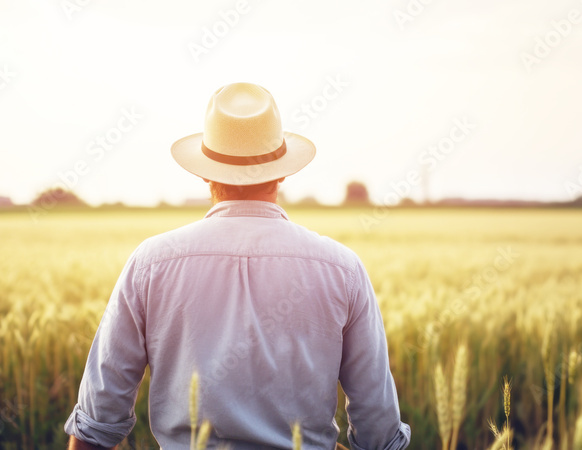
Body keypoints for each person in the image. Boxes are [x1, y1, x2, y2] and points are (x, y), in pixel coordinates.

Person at [64, 82, 411, 449]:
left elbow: (95, 425)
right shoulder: (342, 269)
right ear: (282, 171)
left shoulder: (151, 264)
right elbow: (379, 431)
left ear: (204, 171)